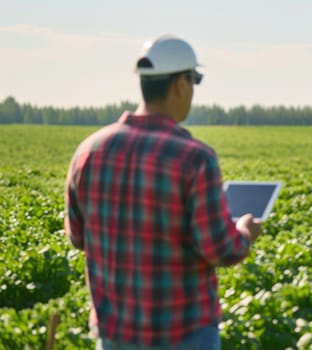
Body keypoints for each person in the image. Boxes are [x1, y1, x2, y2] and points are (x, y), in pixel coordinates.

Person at [64, 35, 261, 349]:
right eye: (194, 80)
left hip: (114, 331)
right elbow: (222, 249)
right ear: (181, 84)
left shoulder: (88, 152)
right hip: (183, 334)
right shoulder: (194, 158)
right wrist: (245, 232)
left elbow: (77, 237)